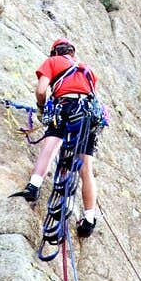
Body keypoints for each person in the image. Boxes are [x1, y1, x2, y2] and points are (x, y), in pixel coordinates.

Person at [16, 39, 102, 238]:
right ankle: (89, 219)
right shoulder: (87, 71)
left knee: (51, 146)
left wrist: (41, 107)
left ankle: (34, 186)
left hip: (64, 108)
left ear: (55, 52)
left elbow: (41, 90)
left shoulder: (52, 62)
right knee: (86, 168)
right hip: (87, 117)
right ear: (72, 53)